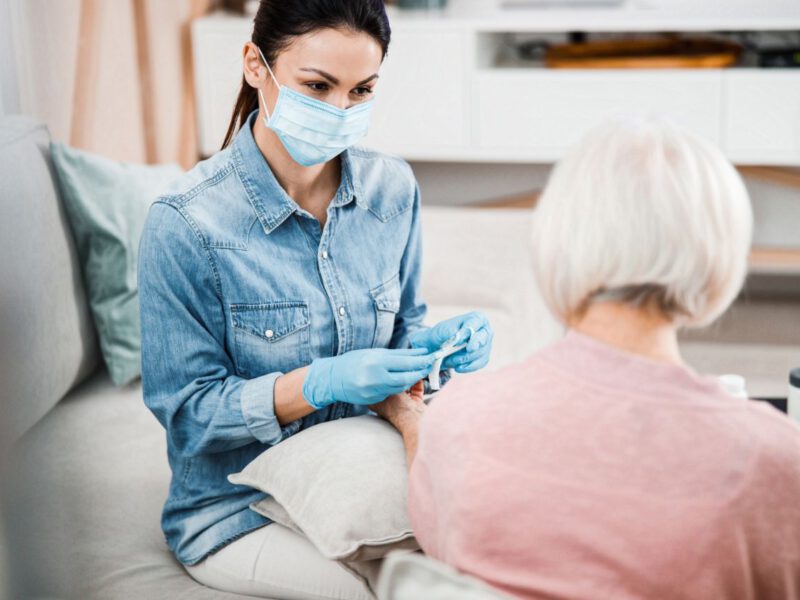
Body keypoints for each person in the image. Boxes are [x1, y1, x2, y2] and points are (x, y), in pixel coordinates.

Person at [136, 1, 492, 598]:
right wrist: (317, 382)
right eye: (317, 86)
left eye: (362, 91)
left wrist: (432, 357)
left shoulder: (392, 190)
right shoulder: (186, 224)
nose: (339, 111)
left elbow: (404, 330)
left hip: (361, 470)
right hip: (236, 509)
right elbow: (187, 415)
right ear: (256, 65)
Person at [376, 117, 800, 599]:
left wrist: (411, 419)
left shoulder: (461, 417)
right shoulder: (774, 460)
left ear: (558, 243)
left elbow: (439, 534)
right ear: (720, 260)